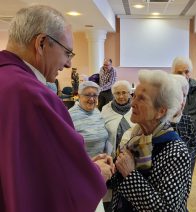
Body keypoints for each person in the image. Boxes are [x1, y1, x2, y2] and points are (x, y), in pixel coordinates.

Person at [0, 5, 114, 211]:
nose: (69, 64)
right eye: (67, 53)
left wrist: (85, 166)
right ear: (41, 43)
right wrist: (96, 173)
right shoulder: (33, 96)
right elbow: (58, 186)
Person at [110, 70, 191, 211]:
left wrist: (130, 175)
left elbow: (166, 209)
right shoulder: (135, 138)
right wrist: (109, 166)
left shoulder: (176, 151)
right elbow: (118, 183)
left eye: (141, 98)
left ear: (161, 111)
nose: (132, 103)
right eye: (134, 96)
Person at [100, 80, 135, 211]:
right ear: (113, 94)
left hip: (132, 158)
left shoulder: (136, 108)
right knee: (112, 192)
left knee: (129, 188)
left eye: (124, 93)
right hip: (111, 156)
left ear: (130, 93)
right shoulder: (106, 109)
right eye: (117, 93)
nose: (121, 96)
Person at [171, 56, 196, 143]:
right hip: (172, 134)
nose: (184, 75)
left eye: (187, 72)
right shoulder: (168, 88)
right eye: (179, 73)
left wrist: (187, 131)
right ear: (173, 73)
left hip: (193, 134)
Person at [69, 81, 109, 157]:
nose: (91, 99)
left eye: (95, 95)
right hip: (81, 165)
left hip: (100, 163)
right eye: (87, 95)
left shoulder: (97, 112)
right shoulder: (70, 116)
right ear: (79, 96)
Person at [170, 74, 196, 177]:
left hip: (184, 172)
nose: (182, 101)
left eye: (184, 96)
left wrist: (186, 158)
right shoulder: (158, 121)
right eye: (177, 96)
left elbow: (195, 145)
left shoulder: (186, 120)